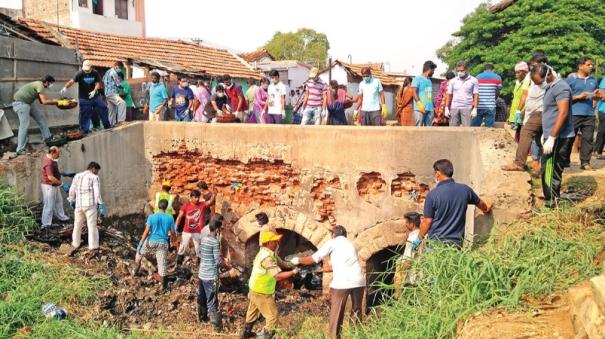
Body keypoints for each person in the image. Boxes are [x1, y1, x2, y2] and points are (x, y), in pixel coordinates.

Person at [290, 226, 365, 339]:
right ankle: (356, 336)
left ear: (334, 235)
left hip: (342, 284)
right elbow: (339, 265)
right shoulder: (351, 244)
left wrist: (298, 260)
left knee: (336, 314)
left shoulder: (332, 242)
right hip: (359, 282)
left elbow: (314, 259)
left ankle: (334, 337)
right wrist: (319, 270)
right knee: (356, 311)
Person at [417, 159, 492, 248]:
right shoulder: (465, 190)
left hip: (436, 243)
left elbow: (427, 221)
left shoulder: (432, 195)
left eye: (434, 173)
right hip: (456, 244)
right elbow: (481, 204)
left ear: (438, 173)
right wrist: (486, 209)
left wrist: (418, 238)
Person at [240, 231, 299, 339]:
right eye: (274, 241)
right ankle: (267, 336)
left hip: (255, 289)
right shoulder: (267, 258)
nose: (277, 242)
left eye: (277, 240)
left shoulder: (267, 253)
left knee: (252, 313)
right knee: (272, 316)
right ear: (267, 243)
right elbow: (277, 276)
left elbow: (283, 264)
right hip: (262, 291)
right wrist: (293, 272)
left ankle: (245, 334)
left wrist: (295, 262)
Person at [532, 64, 575, 208]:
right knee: (549, 169)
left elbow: (563, 112)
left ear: (548, 75)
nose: (539, 86)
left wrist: (552, 137)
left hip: (558, 138)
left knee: (550, 170)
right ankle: (551, 200)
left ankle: (551, 204)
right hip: (552, 135)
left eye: (540, 82)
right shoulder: (551, 87)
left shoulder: (561, 88)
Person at [502, 61, 543, 172]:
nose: (516, 74)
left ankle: (522, 162)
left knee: (527, 134)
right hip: (527, 112)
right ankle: (534, 163)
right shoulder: (520, 81)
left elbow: (525, 96)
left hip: (533, 112)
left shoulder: (531, 77)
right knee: (530, 136)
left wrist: (520, 111)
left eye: (518, 72)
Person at [132, 198, 176, 290]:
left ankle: (134, 273)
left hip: (151, 241)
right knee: (162, 264)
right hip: (163, 243)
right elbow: (172, 233)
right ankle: (163, 287)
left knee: (139, 255)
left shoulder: (152, 217)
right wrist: (173, 241)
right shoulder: (170, 218)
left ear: (158, 206)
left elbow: (146, 231)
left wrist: (140, 244)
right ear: (166, 207)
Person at [12, 75, 59, 155]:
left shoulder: (39, 86)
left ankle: (48, 138)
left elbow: (41, 101)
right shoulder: (40, 85)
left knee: (41, 119)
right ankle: (20, 149)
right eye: (50, 83)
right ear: (46, 82)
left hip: (28, 103)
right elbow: (44, 102)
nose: (50, 85)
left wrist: (55, 102)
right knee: (24, 126)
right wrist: (57, 102)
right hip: (21, 103)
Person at [566, 58, 598, 170]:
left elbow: (595, 96)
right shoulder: (570, 80)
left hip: (589, 114)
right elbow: (564, 97)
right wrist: (578, 97)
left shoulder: (593, 80)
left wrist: (597, 96)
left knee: (588, 139)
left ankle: (585, 162)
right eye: (588, 65)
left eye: (591, 65)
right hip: (574, 113)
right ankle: (565, 160)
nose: (591, 67)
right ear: (580, 66)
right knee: (569, 138)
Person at [61, 60, 110, 133]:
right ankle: (85, 130)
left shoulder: (95, 73)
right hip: (84, 98)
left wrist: (94, 91)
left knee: (103, 107)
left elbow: (98, 83)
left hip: (95, 97)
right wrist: (65, 87)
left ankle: (107, 126)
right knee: (85, 113)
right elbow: (72, 81)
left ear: (91, 67)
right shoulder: (80, 73)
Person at [68, 162, 105, 251]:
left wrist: (71, 200)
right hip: (90, 205)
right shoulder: (94, 177)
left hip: (79, 205)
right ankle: (93, 246)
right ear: (93, 169)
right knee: (92, 226)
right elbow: (97, 192)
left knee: (77, 224)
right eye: (97, 171)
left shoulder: (77, 176)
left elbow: (72, 189)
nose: (97, 173)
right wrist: (101, 204)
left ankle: (75, 243)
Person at [197, 218, 225, 331]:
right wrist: (225, 263)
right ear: (217, 229)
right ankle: (216, 327)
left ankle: (202, 318)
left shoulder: (203, 239)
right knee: (212, 300)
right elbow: (218, 261)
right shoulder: (214, 242)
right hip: (211, 276)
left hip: (202, 274)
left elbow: (199, 253)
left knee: (202, 297)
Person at [175, 190, 208, 267]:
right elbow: (180, 217)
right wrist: (176, 226)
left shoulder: (202, 204)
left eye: (198, 197)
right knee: (182, 247)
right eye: (195, 197)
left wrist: (214, 195)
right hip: (187, 231)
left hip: (198, 231)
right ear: (191, 197)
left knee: (198, 248)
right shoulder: (186, 205)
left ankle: (200, 265)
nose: (197, 199)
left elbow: (209, 202)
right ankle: (179, 264)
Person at [393, 211, 422, 298]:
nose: (405, 225)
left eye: (406, 222)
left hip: (411, 278)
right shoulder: (421, 235)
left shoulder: (412, 238)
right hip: (418, 276)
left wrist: (400, 279)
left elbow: (408, 260)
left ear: (411, 224)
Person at [40, 146, 70, 229]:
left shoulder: (52, 160)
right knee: (49, 205)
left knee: (58, 201)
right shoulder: (48, 163)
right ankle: (46, 224)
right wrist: (62, 184)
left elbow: (54, 173)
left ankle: (61, 217)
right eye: (58, 153)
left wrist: (61, 174)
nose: (59, 155)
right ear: (52, 153)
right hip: (49, 186)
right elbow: (51, 178)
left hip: (54, 185)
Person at [445, 61, 479, 127]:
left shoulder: (473, 80)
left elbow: (476, 95)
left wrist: (475, 108)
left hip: (467, 108)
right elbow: (449, 95)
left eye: (462, 70)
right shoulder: (453, 81)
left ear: (466, 69)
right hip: (454, 107)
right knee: (452, 129)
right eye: (458, 71)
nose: (460, 72)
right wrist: (446, 108)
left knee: (467, 129)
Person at [412, 61, 437, 126]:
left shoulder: (429, 81)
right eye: (433, 70)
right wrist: (419, 104)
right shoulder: (417, 79)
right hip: (420, 109)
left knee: (428, 131)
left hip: (430, 109)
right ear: (429, 69)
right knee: (419, 129)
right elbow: (414, 92)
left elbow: (430, 94)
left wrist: (433, 107)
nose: (433, 72)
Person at [102, 61, 127, 126]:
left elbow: (103, 82)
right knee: (122, 103)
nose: (120, 70)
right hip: (112, 93)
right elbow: (117, 84)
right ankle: (121, 121)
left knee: (112, 109)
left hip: (107, 93)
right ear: (116, 66)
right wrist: (122, 87)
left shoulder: (107, 72)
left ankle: (111, 124)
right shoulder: (114, 72)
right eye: (120, 68)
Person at [595, 67, 605, 159]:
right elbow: (602, 95)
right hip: (603, 110)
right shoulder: (604, 79)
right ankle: (597, 151)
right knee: (602, 131)